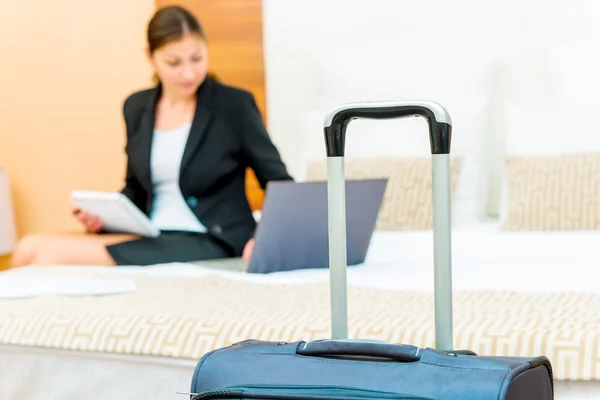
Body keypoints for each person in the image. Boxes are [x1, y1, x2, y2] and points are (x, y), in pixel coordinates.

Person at [9, 5, 293, 268]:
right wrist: (102, 218)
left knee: (50, 254)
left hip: (210, 237)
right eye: (174, 62)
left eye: (197, 58)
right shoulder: (137, 107)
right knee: (27, 247)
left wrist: (267, 238)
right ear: (150, 56)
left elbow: (279, 183)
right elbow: (135, 189)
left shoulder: (233, 105)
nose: (189, 73)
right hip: (153, 232)